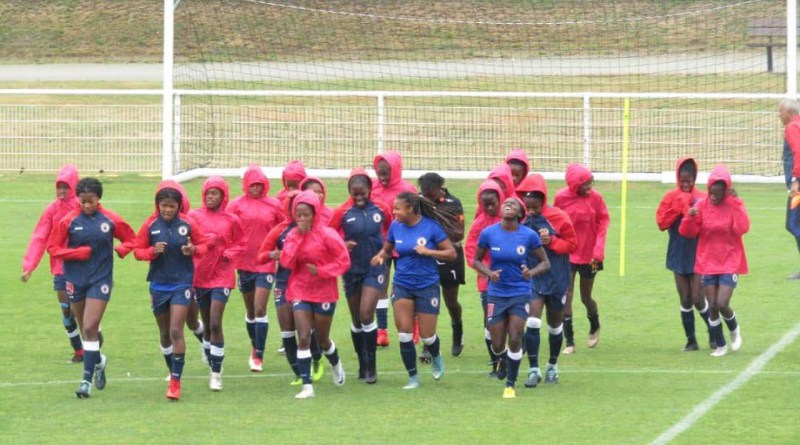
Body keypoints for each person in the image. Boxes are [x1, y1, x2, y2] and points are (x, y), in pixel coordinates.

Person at [47, 177, 135, 398]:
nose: (86, 205)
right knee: (86, 327)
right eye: (83, 201)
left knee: (89, 326)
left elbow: (131, 238)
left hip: (100, 280)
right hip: (75, 280)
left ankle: (85, 382)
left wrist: (123, 249)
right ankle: (99, 361)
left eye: (91, 201)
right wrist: (76, 253)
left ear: (98, 199)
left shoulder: (110, 220)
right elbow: (53, 248)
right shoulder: (68, 220)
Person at [370, 192, 456, 389]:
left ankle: (435, 353)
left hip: (427, 285)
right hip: (402, 284)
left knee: (427, 337)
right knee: (404, 334)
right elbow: (388, 248)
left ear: (410, 209)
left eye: (397, 208)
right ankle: (413, 378)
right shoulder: (395, 227)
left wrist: (429, 252)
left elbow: (451, 253)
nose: (394, 212)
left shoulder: (431, 227)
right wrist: (381, 256)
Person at [133, 181, 206, 401]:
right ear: (158, 205)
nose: (167, 209)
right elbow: (137, 250)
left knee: (176, 331)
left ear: (179, 206)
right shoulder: (150, 225)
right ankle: (172, 369)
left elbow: (203, 246)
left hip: (182, 284)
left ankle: (175, 383)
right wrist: (151, 252)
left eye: (172, 206)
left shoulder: (188, 223)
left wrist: (193, 249)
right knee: (164, 334)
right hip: (158, 284)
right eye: (164, 205)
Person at [472, 197, 550, 399]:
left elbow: (545, 263)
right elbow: (476, 260)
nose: (507, 204)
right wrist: (489, 274)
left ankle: (510, 385)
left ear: (519, 213)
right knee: (497, 343)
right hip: (496, 294)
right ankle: (503, 359)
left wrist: (530, 273)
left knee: (515, 336)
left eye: (513, 204)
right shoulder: (489, 233)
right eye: (505, 203)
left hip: (520, 292)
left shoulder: (528, 235)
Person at [280, 191, 351, 399]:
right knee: (303, 337)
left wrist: (320, 271)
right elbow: (286, 262)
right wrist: (297, 239)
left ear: (315, 213)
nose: (302, 219)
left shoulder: (328, 235)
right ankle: (307, 386)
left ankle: (335, 363)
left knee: (322, 340)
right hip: (300, 290)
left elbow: (343, 261)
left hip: (324, 292)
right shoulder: (293, 236)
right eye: (298, 215)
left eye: (306, 215)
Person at [330, 168, 392, 383]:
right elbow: (328, 236)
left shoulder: (381, 209)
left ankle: (372, 367)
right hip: (351, 270)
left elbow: (392, 230)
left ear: (369, 190)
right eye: (355, 193)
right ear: (349, 191)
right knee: (357, 320)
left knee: (367, 314)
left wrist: (385, 252)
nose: (359, 197)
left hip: (374, 269)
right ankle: (362, 364)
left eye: (362, 193)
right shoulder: (342, 212)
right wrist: (342, 245)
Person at [679, 165, 748, 357]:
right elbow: (687, 233)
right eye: (711, 193)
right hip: (707, 262)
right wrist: (689, 218)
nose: (714, 197)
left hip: (729, 261)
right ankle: (720, 345)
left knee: (721, 302)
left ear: (726, 191)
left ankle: (734, 329)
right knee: (712, 306)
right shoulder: (702, 205)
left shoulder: (733, 204)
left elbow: (743, 227)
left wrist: (737, 204)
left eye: (718, 194)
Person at [517, 174, 577, 387]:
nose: (531, 211)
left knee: (554, 324)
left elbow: (572, 245)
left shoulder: (559, 217)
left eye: (534, 207)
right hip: (533, 278)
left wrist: (551, 241)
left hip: (557, 278)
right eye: (528, 207)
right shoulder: (521, 219)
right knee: (532, 321)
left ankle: (552, 365)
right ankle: (534, 369)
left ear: (543, 200)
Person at [188, 176, 247, 391]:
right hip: (201, 275)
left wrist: (228, 253)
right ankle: (209, 350)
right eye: (208, 193)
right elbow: (187, 240)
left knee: (214, 322)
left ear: (223, 196)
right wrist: (199, 245)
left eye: (215, 193)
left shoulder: (231, 219)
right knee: (205, 322)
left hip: (222, 275)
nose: (211, 197)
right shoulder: (194, 216)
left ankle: (216, 373)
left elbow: (242, 243)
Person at [21, 164, 84, 362]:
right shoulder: (52, 210)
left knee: (76, 308)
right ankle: (78, 351)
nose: (61, 191)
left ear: (73, 186)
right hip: (59, 267)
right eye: (59, 187)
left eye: (65, 186)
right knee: (66, 309)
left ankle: (92, 331)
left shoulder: (82, 207)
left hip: (79, 266)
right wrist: (29, 267)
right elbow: (39, 237)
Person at [227, 163, 284, 372]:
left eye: (259, 184)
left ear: (265, 185)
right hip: (243, 264)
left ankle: (258, 354)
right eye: (252, 184)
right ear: (245, 185)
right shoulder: (235, 205)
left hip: (266, 264)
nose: (255, 188)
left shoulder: (274, 205)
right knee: (250, 310)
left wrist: (281, 251)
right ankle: (254, 345)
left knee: (260, 307)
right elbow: (227, 228)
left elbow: (283, 230)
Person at [655, 158, 713, 351]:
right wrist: (679, 208)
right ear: (678, 179)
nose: (686, 184)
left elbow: (709, 222)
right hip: (678, 252)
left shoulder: (702, 197)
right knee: (685, 299)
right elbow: (661, 223)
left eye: (689, 180)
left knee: (698, 298)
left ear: (695, 178)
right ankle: (691, 340)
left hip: (698, 253)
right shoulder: (670, 197)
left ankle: (714, 333)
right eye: (683, 180)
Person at [553, 163, 609, 354]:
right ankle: (569, 341)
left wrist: (599, 249)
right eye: (585, 183)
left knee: (586, 297)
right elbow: (555, 222)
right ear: (574, 184)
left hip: (592, 255)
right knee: (566, 294)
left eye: (590, 182)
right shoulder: (561, 198)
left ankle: (594, 324)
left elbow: (603, 222)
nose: (589, 186)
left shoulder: (596, 198)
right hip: (568, 253)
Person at [417, 172, 466, 359]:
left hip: (449, 255)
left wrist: (436, 234)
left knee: (450, 301)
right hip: (426, 256)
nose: (426, 196)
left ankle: (457, 328)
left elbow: (459, 233)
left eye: (429, 193)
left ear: (439, 188)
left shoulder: (453, 203)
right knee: (427, 301)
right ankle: (428, 345)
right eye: (423, 192)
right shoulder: (419, 202)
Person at [372, 151, 418, 347]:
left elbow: (417, 218)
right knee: (380, 286)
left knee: (409, 286)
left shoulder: (408, 190)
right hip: (382, 245)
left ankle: (414, 328)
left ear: (396, 170)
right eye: (379, 173)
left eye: (386, 173)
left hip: (405, 246)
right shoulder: (372, 188)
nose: (382, 177)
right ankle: (382, 331)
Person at [465, 180, 504, 376]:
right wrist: (483, 269)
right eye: (484, 204)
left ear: (500, 200)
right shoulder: (479, 224)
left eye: (492, 203)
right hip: (487, 281)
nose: (489, 208)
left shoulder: (509, 219)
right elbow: (470, 248)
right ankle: (495, 361)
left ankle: (509, 355)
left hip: (510, 280)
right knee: (490, 320)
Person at [778, 98, 800, 279]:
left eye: (780, 111)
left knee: (793, 224)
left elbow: (798, 152)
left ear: (789, 112)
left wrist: (795, 180)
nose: (779, 115)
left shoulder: (792, 127)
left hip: (799, 187)